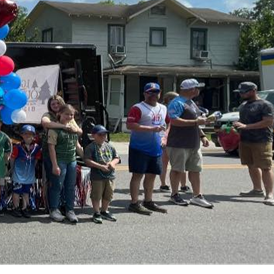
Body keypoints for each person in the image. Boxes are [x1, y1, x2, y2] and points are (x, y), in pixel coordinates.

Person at [166, 79, 214, 209]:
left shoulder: (191, 102)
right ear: (191, 89)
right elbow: (175, 121)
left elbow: (196, 121)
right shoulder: (176, 103)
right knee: (177, 169)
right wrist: (196, 123)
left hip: (193, 143)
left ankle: (197, 196)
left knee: (195, 170)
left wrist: (202, 135)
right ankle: (174, 194)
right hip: (178, 143)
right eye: (197, 88)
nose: (198, 90)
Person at [233, 82, 274, 207]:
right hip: (246, 139)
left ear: (253, 90)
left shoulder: (266, 105)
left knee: (265, 167)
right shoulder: (243, 105)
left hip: (262, 140)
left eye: (244, 92)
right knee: (251, 165)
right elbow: (243, 122)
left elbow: (268, 122)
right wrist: (237, 125)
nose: (242, 94)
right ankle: (257, 189)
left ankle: (269, 195)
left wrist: (247, 126)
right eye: (240, 92)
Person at [127, 83, 169, 216]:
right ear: (144, 94)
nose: (153, 95)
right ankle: (134, 203)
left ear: (160, 93)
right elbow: (130, 125)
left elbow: (169, 123)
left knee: (152, 175)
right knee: (137, 175)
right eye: (150, 92)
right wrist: (151, 129)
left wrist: (165, 137)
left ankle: (148, 201)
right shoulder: (138, 108)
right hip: (139, 148)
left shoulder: (163, 108)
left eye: (156, 92)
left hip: (156, 148)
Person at [84, 125, 120, 224]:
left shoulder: (110, 146)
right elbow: (87, 160)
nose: (103, 137)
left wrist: (112, 163)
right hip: (97, 175)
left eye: (104, 134)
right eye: (100, 135)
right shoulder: (90, 147)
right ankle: (96, 212)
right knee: (97, 194)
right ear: (93, 135)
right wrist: (100, 166)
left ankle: (104, 210)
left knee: (108, 194)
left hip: (110, 175)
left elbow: (117, 157)